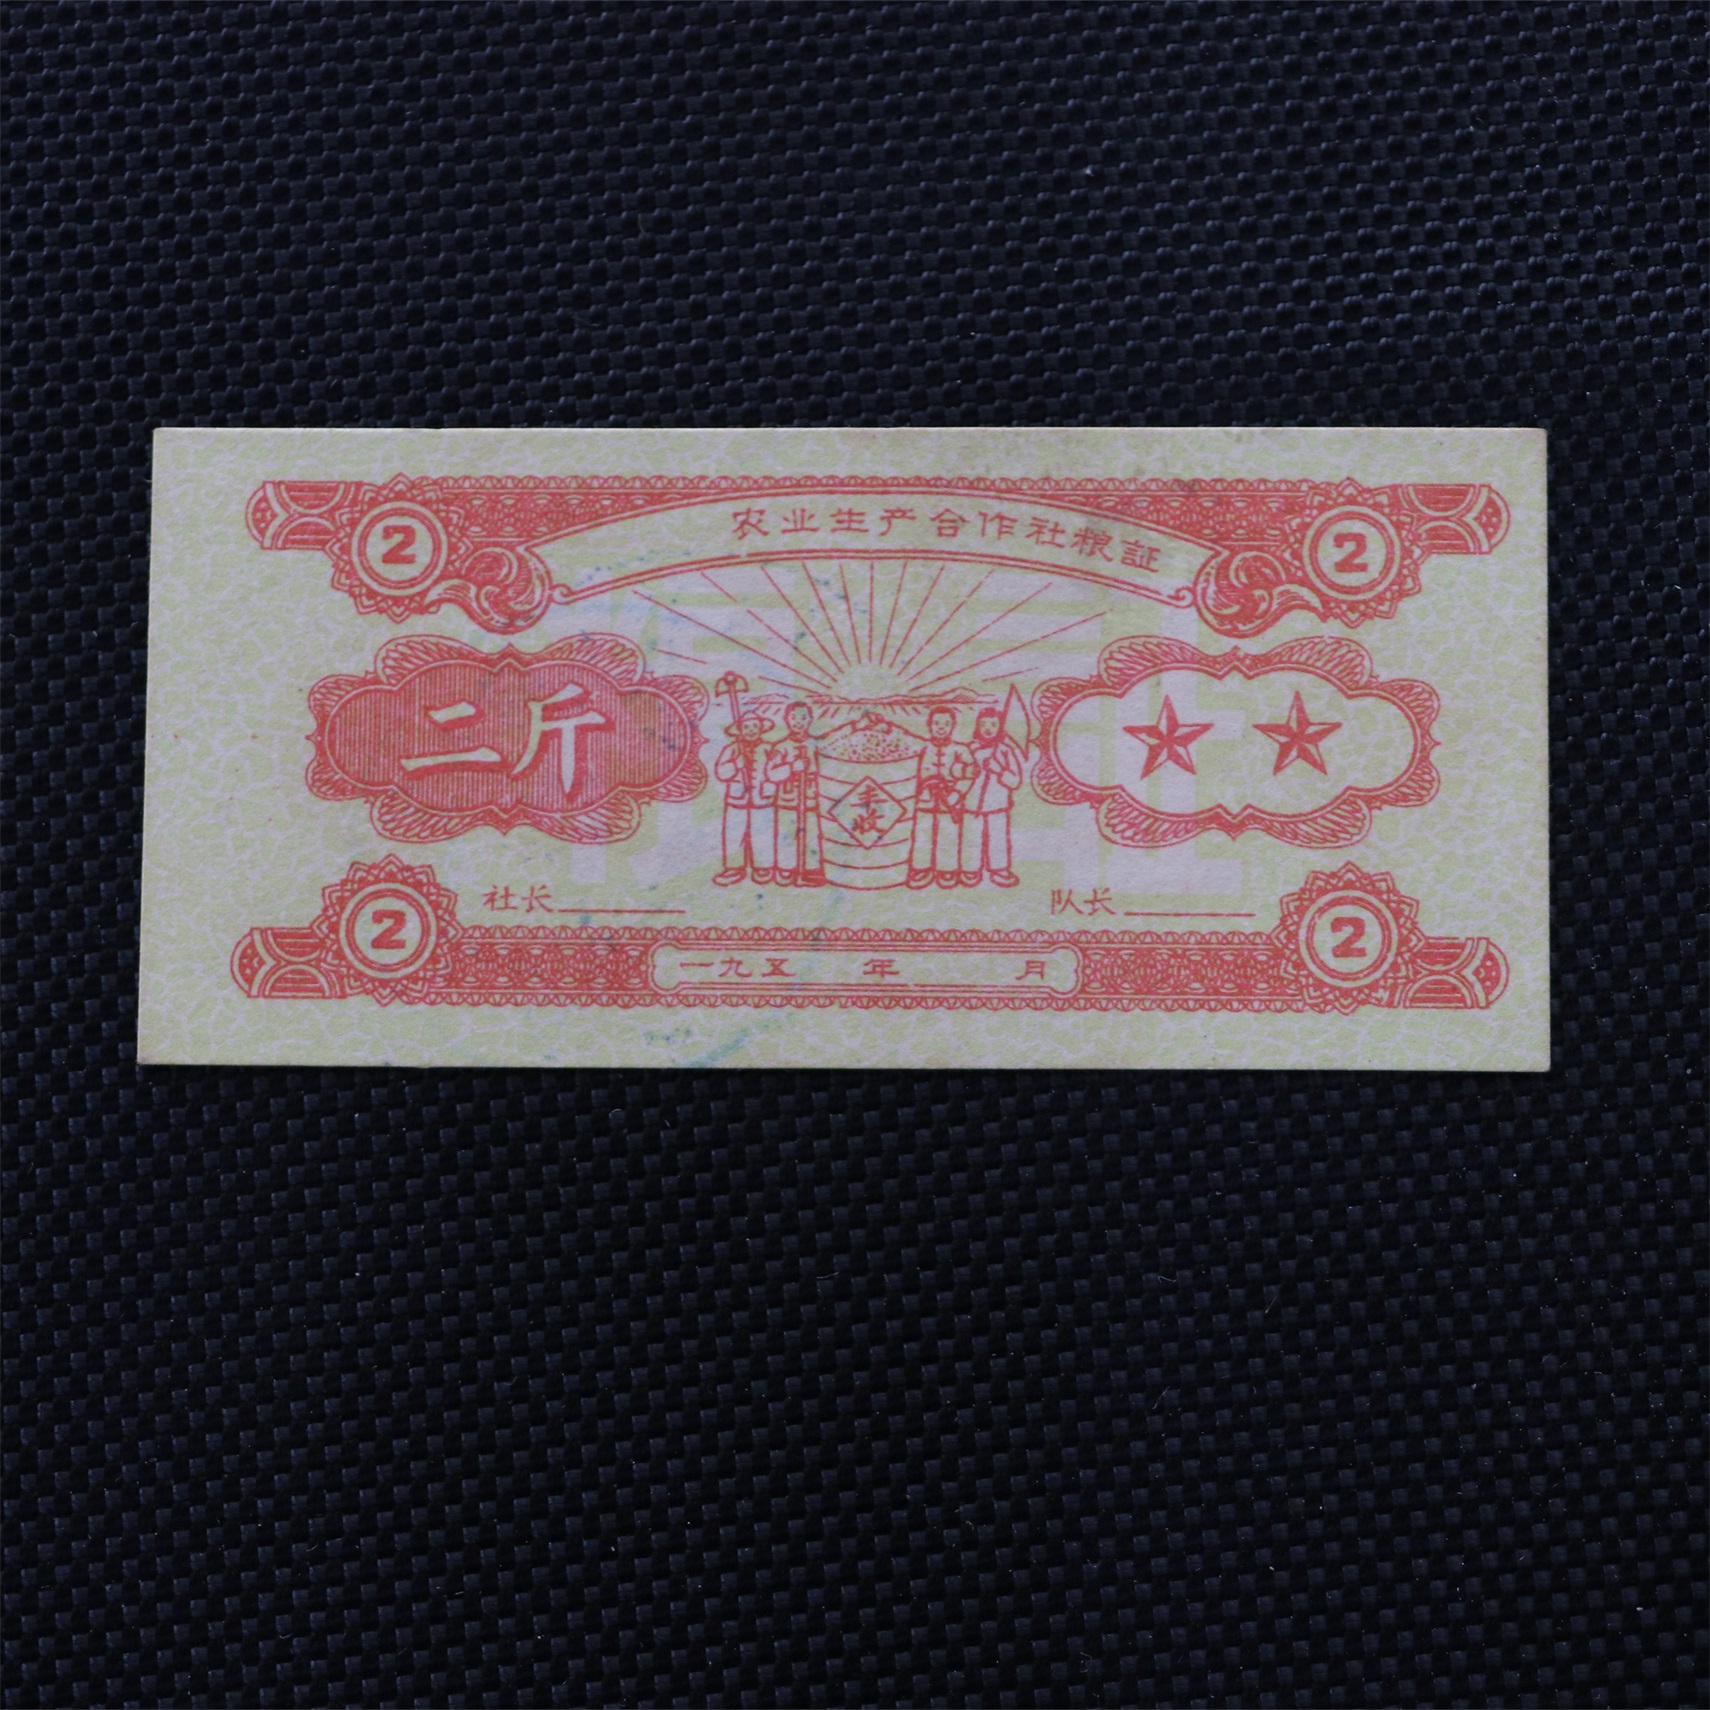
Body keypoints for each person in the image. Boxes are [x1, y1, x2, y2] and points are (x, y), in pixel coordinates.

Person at [907, 707, 977, 889]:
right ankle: (921, 868)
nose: (941, 727)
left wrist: (956, 795)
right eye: (936, 723)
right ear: (929, 724)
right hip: (925, 800)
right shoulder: (922, 747)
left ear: (953, 726)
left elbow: (971, 774)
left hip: (950, 802)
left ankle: (947, 869)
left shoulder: (960, 749)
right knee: (922, 834)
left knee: (949, 835)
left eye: (946, 724)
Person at [765, 702, 827, 886]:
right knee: (787, 834)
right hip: (788, 800)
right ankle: (786, 869)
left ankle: (810, 869)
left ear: (810, 720)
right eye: (793, 717)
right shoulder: (781, 746)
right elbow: (771, 773)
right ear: (786, 719)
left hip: (810, 799)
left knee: (812, 834)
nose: (798, 722)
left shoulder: (816, 745)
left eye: (803, 717)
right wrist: (792, 767)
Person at [961, 708, 1025, 887]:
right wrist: (967, 771)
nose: (988, 728)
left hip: (998, 805)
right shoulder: (969, 748)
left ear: (1000, 727)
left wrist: (999, 770)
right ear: (977, 726)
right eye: (983, 724)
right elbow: (956, 770)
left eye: (993, 724)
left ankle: (999, 869)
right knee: (971, 837)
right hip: (971, 803)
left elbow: (1015, 781)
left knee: (997, 838)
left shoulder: (1005, 751)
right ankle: (970, 869)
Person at [711, 710, 776, 885]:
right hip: (737, 800)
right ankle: (734, 868)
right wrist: (736, 764)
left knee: (762, 833)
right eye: (746, 727)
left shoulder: (769, 748)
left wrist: (770, 787)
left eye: (755, 726)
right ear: (739, 730)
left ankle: (763, 867)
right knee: (735, 834)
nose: (751, 730)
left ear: (761, 728)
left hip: (762, 799)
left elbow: (776, 770)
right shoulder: (731, 749)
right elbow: (721, 772)